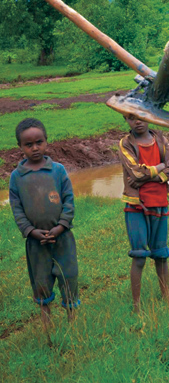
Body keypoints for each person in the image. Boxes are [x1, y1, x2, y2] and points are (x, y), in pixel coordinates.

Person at [9, 118, 80, 326]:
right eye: (28, 145)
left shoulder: (57, 170)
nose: (35, 148)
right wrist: (30, 231)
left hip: (63, 238)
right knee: (41, 283)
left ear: (46, 141)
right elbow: (17, 208)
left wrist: (61, 226)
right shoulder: (17, 177)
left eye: (39, 142)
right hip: (36, 243)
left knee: (69, 276)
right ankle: (48, 328)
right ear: (20, 147)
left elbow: (69, 199)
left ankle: (72, 325)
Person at [118, 113, 169, 311]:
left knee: (161, 254)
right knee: (139, 255)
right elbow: (135, 172)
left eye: (141, 115)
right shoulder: (126, 144)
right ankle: (136, 305)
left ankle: (166, 298)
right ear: (125, 119)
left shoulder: (161, 141)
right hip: (136, 205)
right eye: (131, 117)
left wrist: (147, 176)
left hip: (160, 202)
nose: (137, 121)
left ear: (150, 116)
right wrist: (159, 167)